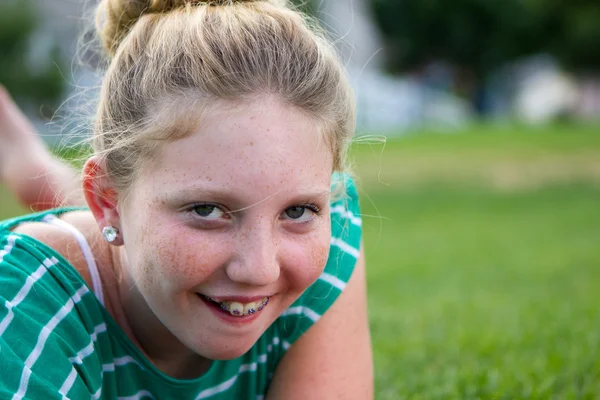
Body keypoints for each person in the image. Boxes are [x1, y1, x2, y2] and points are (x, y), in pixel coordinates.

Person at [0, 0, 372, 398]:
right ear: (107, 200)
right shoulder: (18, 310)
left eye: (296, 210)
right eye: (207, 210)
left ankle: (36, 171)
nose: (260, 271)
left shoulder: (326, 226)